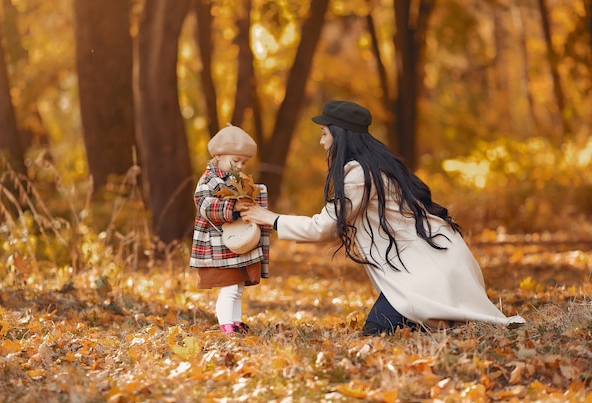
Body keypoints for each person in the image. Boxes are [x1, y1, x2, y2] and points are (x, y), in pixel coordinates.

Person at [241, 100, 526, 335]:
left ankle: (441, 321)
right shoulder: (376, 165)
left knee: (377, 332)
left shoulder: (358, 175)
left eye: (325, 134)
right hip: (439, 263)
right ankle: (440, 322)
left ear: (340, 135)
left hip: (430, 275)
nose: (321, 141)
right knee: (385, 328)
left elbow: (325, 226)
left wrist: (271, 218)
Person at [189, 124, 270, 335]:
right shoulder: (209, 180)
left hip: (234, 244)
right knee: (230, 286)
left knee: (238, 286)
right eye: (236, 161)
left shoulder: (235, 180)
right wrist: (232, 206)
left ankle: (236, 322)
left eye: (244, 162)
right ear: (218, 155)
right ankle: (227, 326)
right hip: (218, 245)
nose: (241, 166)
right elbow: (204, 205)